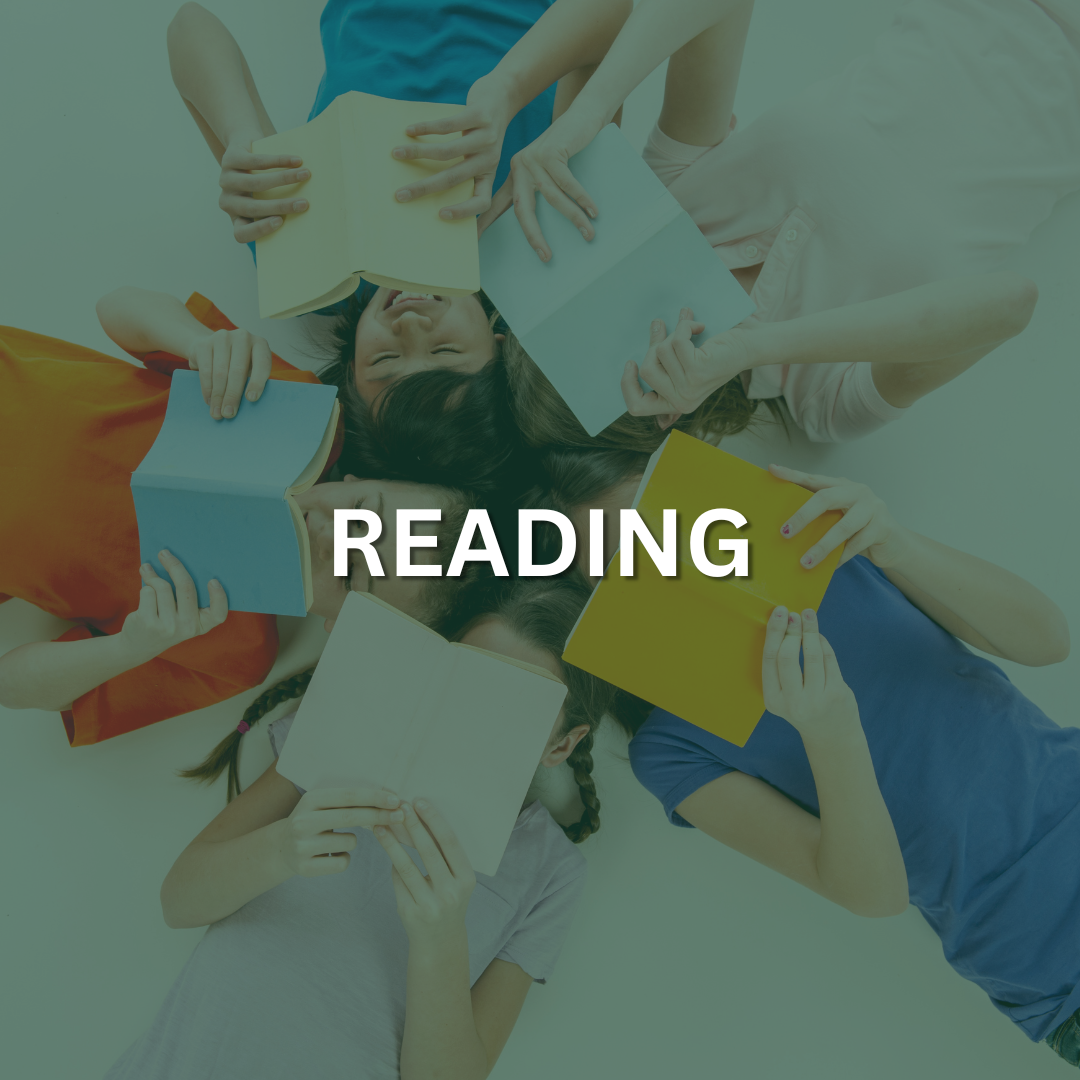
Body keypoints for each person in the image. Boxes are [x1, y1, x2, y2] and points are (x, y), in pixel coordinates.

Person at [543, 445, 1079, 1063]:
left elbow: (1047, 640)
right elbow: (872, 895)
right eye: (618, 567)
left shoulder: (829, 555)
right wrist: (831, 734)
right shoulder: (671, 749)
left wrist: (893, 541)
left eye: (658, 525)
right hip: (1055, 969)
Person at [492, 0, 1077, 444]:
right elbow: (1009, 304)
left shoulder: (674, 205)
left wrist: (587, 112)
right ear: (663, 411)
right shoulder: (821, 396)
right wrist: (753, 348)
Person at [103, 576, 616, 1079]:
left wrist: (440, 940)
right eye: (474, 681)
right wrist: (279, 849)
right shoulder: (340, 735)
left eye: (514, 708)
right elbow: (179, 901)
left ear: (561, 745)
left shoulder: (550, 871)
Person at [0, 287, 476, 746]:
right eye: (358, 515)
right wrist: (197, 341)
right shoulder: (297, 412)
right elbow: (115, 309)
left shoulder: (232, 654)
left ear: (341, 627)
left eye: (351, 573)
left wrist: (128, 648)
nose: (328, 537)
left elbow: (11, 685)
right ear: (358, 482)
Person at [163, 0, 632, 417]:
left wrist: (239, 139)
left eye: (385, 359)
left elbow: (188, 26)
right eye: (445, 350)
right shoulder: (542, 240)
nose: (410, 325)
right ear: (497, 348)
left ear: (349, 368)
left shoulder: (317, 268)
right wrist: (506, 93)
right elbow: (613, 14)